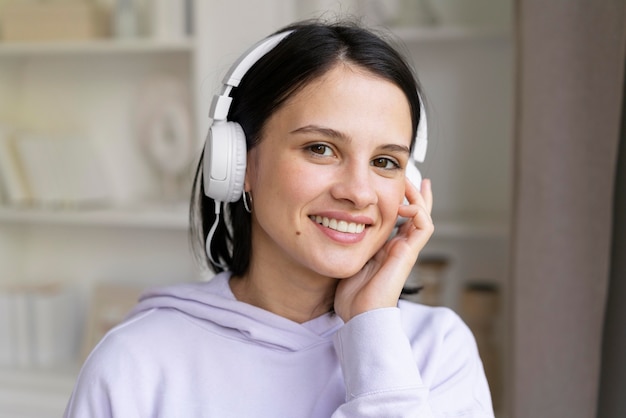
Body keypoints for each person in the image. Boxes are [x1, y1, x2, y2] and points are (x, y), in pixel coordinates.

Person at [64, 19, 494, 417]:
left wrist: (372, 330)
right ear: (238, 164)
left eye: (385, 161)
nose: (360, 192)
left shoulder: (438, 351)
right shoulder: (134, 364)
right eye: (320, 149)